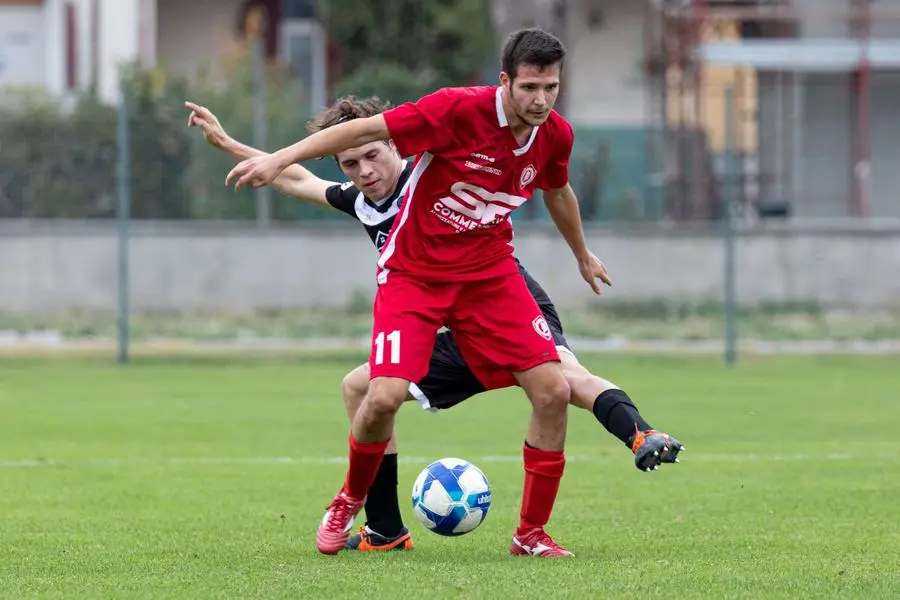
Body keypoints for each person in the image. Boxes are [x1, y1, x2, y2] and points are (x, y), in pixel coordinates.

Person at [220, 28, 676, 558]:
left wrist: (580, 252)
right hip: (415, 277)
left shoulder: (556, 135)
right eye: (529, 87)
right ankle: (352, 500)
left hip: (490, 275)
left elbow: (557, 189)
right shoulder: (455, 112)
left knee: (553, 389)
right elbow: (348, 140)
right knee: (378, 394)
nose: (541, 99)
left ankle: (530, 534)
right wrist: (273, 158)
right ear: (505, 81)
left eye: (550, 87)